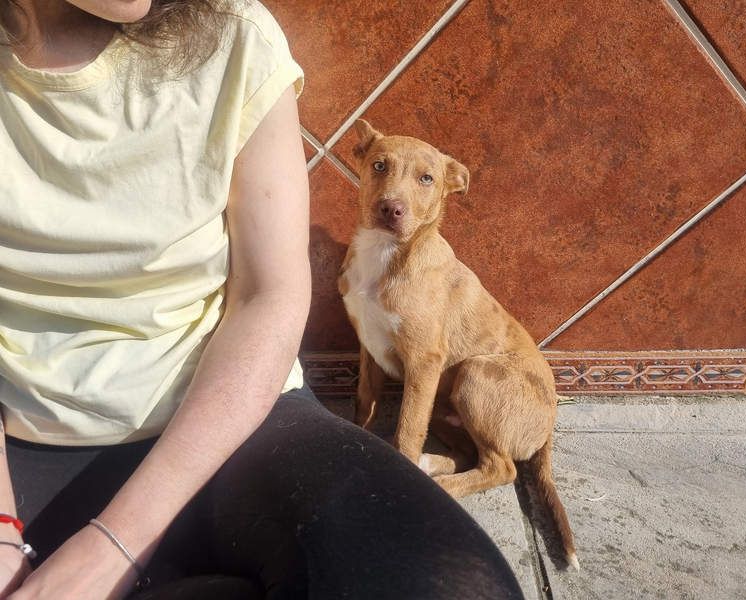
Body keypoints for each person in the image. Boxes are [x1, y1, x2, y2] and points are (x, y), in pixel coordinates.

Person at [0, 1, 526, 598]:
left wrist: (112, 545)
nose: (394, 195)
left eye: (423, 180)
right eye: (381, 168)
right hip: (22, 430)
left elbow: (268, 299)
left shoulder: (235, 33)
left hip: (225, 409)